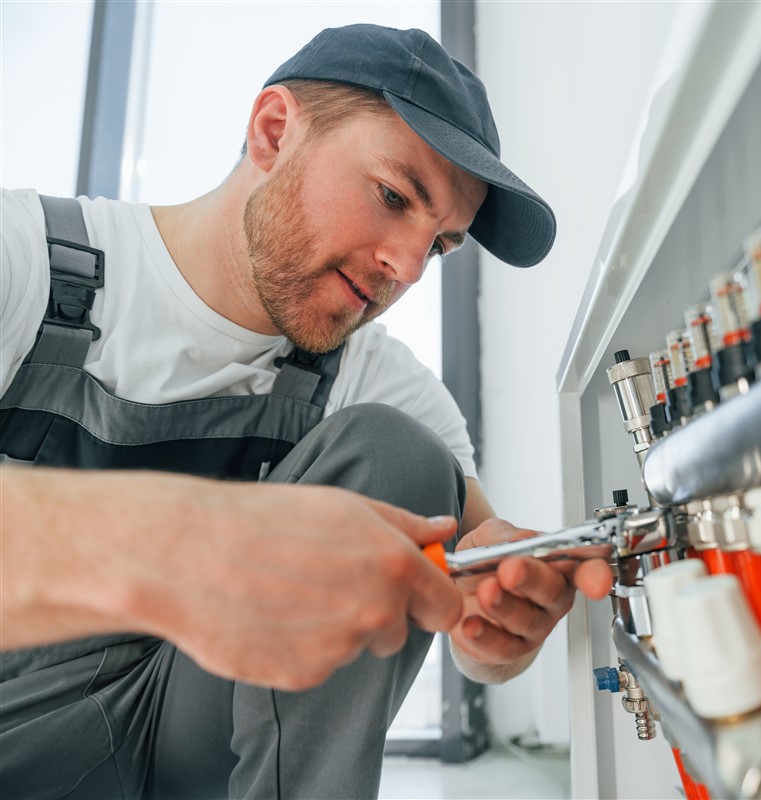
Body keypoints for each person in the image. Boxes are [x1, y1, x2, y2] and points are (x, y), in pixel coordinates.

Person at [0, 24, 612, 798]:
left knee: (402, 457)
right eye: (393, 196)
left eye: (442, 245)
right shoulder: (22, 259)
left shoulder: (380, 382)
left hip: (181, 749)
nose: (408, 267)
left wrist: (500, 625)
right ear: (273, 132)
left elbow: (474, 605)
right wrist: (209, 541)